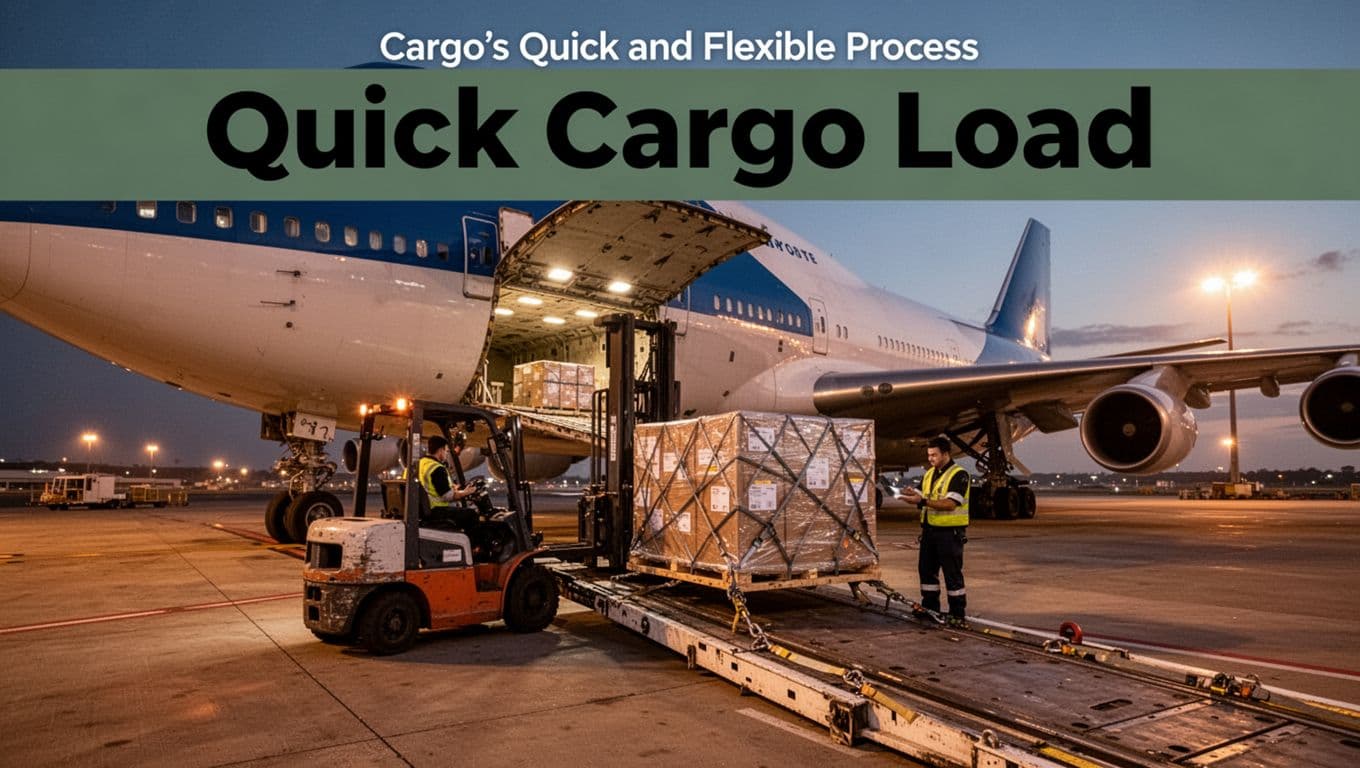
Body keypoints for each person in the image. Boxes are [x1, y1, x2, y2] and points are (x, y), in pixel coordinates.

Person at [899, 435, 970, 625]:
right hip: (930, 532)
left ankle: (957, 613)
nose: (930, 458)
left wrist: (921, 501)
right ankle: (930, 608)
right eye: (929, 455)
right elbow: (922, 493)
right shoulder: (930, 473)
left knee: (952, 575)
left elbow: (950, 504)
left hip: (950, 533)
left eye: (934, 455)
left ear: (946, 454)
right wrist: (910, 494)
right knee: (927, 572)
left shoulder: (959, 474)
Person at [418, 434, 480, 515]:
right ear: (440, 450)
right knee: (471, 514)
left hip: (420, 510)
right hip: (435, 510)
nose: (447, 454)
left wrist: (452, 487)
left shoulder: (418, 463)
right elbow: (448, 496)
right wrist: (466, 492)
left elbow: (430, 486)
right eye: (446, 451)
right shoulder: (437, 468)